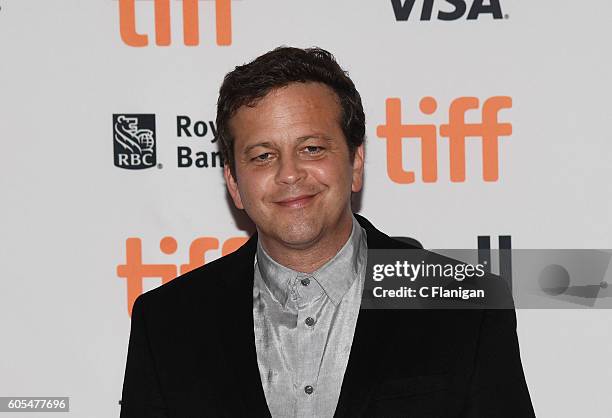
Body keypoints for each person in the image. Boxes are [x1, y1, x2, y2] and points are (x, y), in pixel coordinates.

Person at [120, 47, 535, 417]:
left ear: (355, 163)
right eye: (263, 156)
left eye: (312, 149)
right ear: (233, 183)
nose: (288, 174)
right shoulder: (167, 324)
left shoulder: (465, 308)